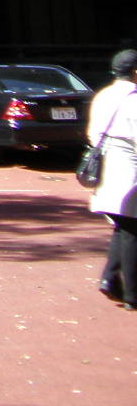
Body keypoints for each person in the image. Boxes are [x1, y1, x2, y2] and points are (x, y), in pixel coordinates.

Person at [89, 48, 137, 310]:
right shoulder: (134, 100)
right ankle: (132, 294)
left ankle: (109, 279)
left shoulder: (102, 96)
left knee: (122, 227)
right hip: (131, 172)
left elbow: (92, 134)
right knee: (132, 231)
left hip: (107, 170)